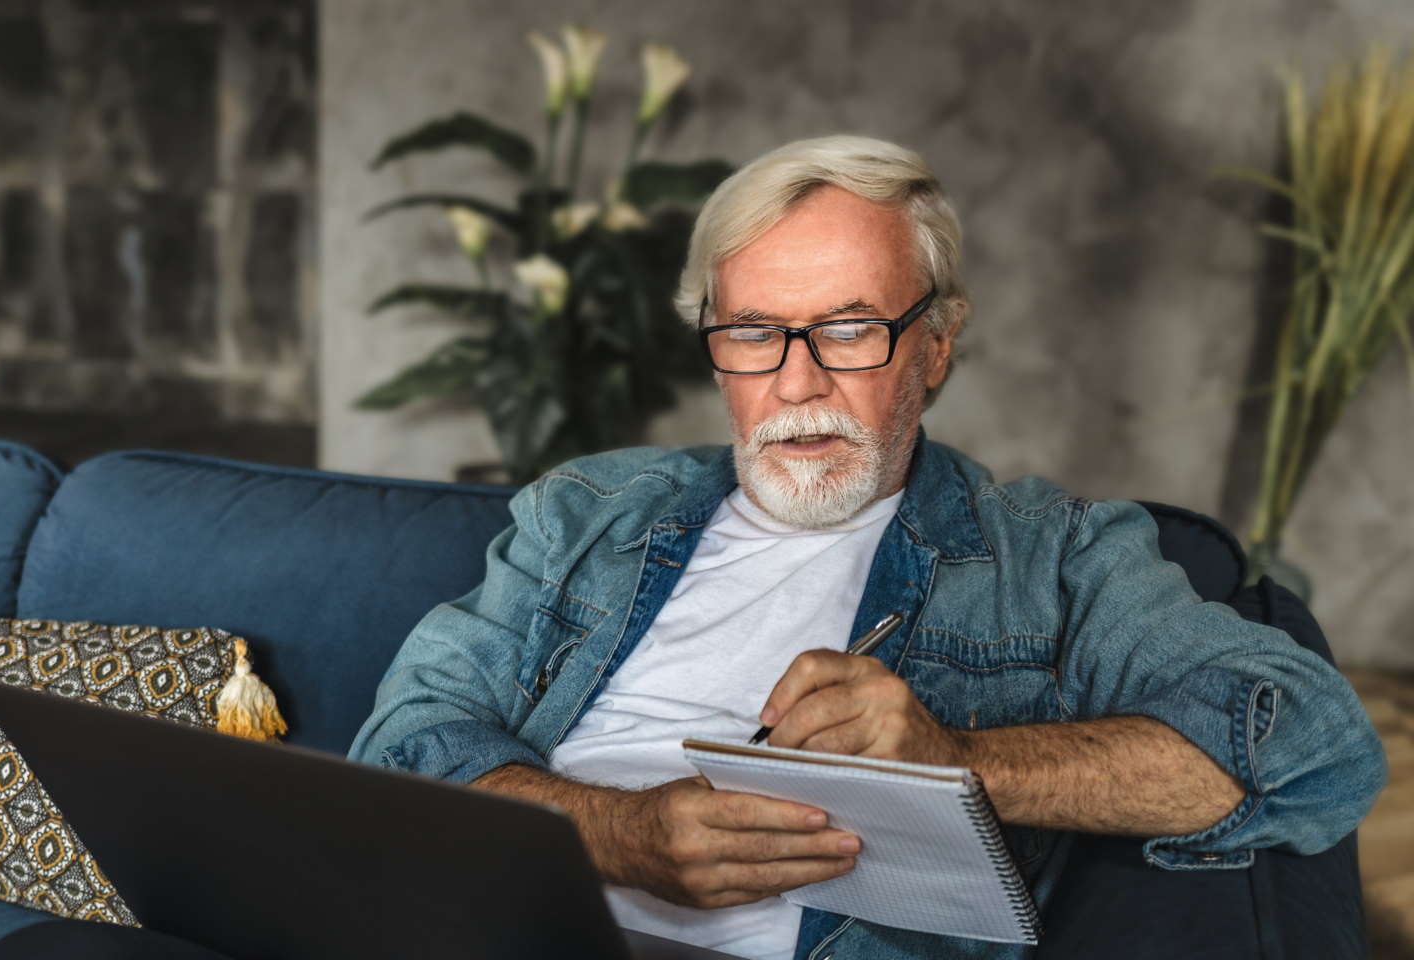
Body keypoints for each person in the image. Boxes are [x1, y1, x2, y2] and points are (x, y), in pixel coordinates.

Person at [347, 135, 1386, 959]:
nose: (796, 382)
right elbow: (404, 742)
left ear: (934, 348)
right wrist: (615, 835)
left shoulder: (1051, 554)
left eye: (849, 330)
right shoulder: (586, 510)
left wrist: (954, 763)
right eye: (753, 332)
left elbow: (1310, 749)